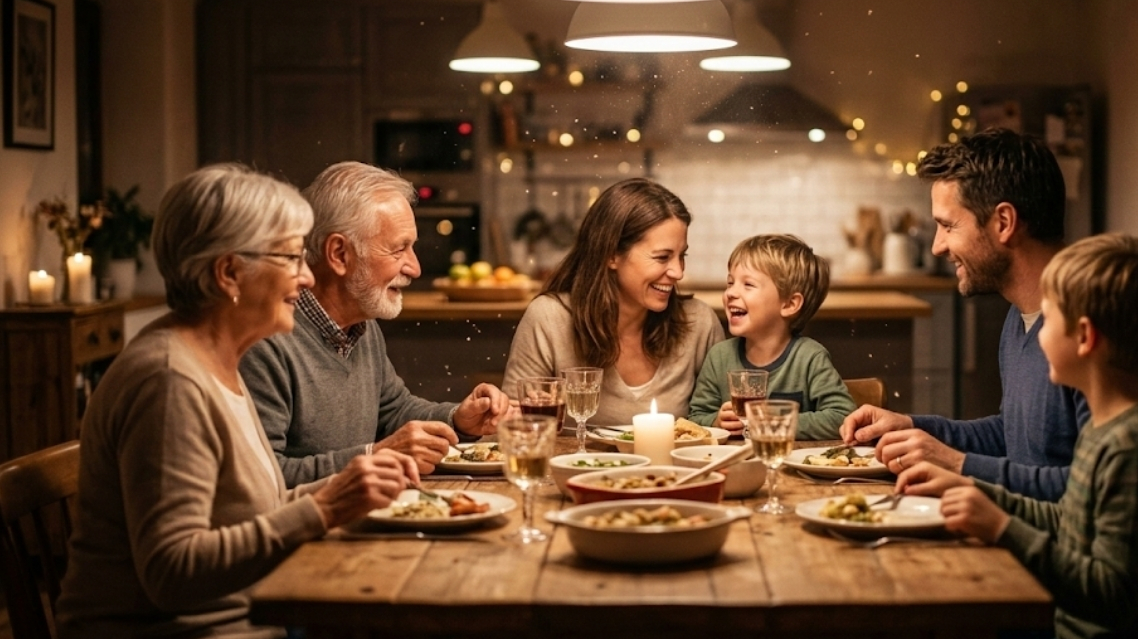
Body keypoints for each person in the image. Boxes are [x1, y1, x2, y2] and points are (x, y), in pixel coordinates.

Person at [56, 164, 420, 639]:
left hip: (254, 623)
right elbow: (171, 573)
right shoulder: (169, 379)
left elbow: (247, 506)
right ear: (229, 273)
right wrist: (326, 508)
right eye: (292, 258)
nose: (308, 276)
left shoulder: (217, 357)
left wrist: (344, 487)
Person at [895, 234, 1138, 639]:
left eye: (1048, 316)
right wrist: (976, 494)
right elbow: (1072, 518)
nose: (1036, 332)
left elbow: (1111, 595)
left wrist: (1002, 528)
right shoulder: (1110, 427)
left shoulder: (1135, 447)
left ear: (1084, 337)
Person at [839, 128, 1138, 500]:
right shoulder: (1021, 315)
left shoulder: (1098, 328)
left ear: (1004, 222)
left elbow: (1103, 493)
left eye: (948, 225)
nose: (938, 247)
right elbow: (1014, 436)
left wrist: (959, 465)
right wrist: (912, 428)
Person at [240, 161, 511, 487]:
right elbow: (265, 480)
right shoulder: (265, 341)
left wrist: (458, 420)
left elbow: (393, 410)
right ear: (339, 254)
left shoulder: (361, 326)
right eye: (399, 249)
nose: (415, 268)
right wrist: (374, 456)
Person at [503, 178, 724, 421]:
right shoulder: (549, 318)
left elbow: (722, 427)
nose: (678, 272)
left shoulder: (699, 322)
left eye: (681, 256)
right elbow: (513, 428)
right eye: (662, 257)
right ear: (612, 255)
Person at [688, 234, 854, 439]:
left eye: (748, 285)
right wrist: (716, 421)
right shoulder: (719, 357)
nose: (731, 293)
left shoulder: (809, 357)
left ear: (789, 304)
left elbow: (843, 417)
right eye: (730, 283)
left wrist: (772, 422)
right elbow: (695, 417)